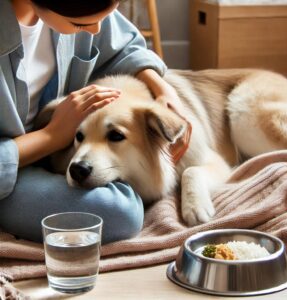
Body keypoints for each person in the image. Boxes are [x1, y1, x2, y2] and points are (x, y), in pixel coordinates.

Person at [0, 0, 182, 243]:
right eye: (79, 24)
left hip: (56, 153)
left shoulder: (80, 8)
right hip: (11, 171)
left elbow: (126, 47)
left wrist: (164, 90)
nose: (96, 30)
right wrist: (51, 136)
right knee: (119, 213)